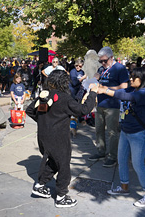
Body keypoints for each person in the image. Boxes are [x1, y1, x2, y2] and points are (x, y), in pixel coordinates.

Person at [26, 70, 98, 208]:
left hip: (43, 137)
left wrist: (43, 122)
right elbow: (83, 110)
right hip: (59, 138)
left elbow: (30, 110)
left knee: (54, 160)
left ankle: (40, 185)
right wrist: (93, 93)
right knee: (64, 164)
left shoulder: (44, 95)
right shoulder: (65, 98)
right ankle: (61, 196)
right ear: (65, 82)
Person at [98, 67, 145, 207]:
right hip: (125, 131)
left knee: (138, 164)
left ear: (142, 79)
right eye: (130, 76)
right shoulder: (133, 89)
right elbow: (120, 92)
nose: (130, 79)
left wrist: (105, 90)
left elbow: (127, 97)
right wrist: (103, 87)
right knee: (121, 160)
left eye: (133, 77)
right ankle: (124, 187)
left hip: (139, 134)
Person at [88, 46, 129, 168]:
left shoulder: (120, 68)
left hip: (113, 105)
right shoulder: (102, 68)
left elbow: (124, 86)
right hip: (100, 103)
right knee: (99, 129)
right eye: (101, 61)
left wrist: (106, 90)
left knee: (112, 131)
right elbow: (98, 80)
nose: (103, 63)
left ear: (111, 57)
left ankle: (112, 156)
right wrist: (94, 81)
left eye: (105, 61)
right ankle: (101, 151)